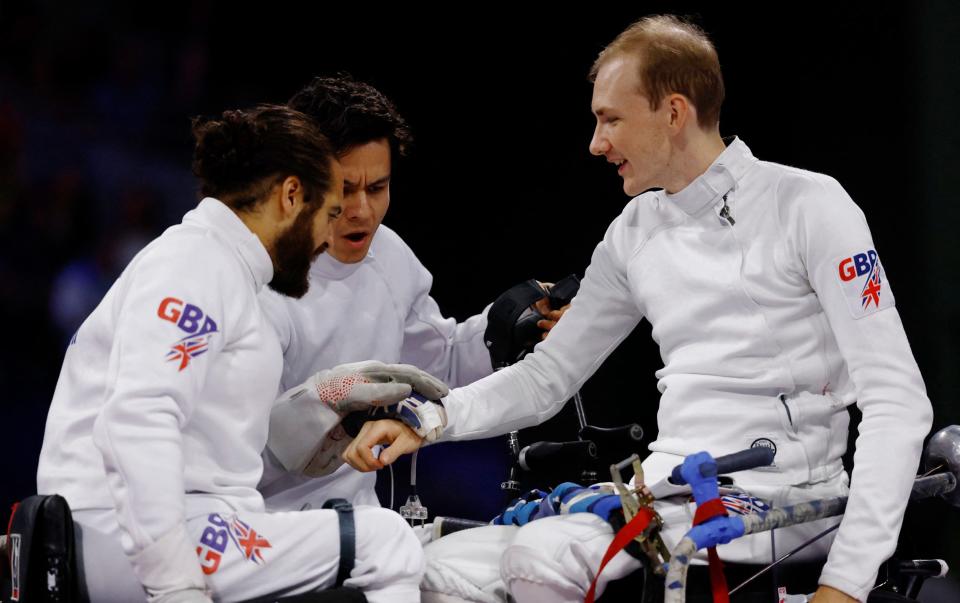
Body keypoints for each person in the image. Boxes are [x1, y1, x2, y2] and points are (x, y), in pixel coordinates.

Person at [345, 15, 933, 603]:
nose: (596, 143)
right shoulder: (635, 230)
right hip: (666, 490)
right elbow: (547, 376)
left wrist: (847, 583)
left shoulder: (810, 206)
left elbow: (897, 403)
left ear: (674, 114)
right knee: (430, 569)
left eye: (611, 119)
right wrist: (430, 419)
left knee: (537, 559)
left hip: (782, 502)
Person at [36, 104, 436, 602]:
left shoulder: (227, 274)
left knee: (366, 537)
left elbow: (225, 453)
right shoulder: (194, 263)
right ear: (292, 196)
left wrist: (325, 400)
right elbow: (137, 419)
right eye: (329, 212)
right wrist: (176, 586)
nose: (327, 238)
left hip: (187, 521)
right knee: (384, 540)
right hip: (119, 536)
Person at [258, 75, 561, 512]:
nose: (363, 210)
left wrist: (507, 325)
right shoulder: (256, 275)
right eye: (345, 189)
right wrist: (320, 403)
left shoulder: (391, 257)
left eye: (377, 188)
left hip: (358, 520)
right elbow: (225, 452)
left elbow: (439, 369)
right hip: (253, 522)